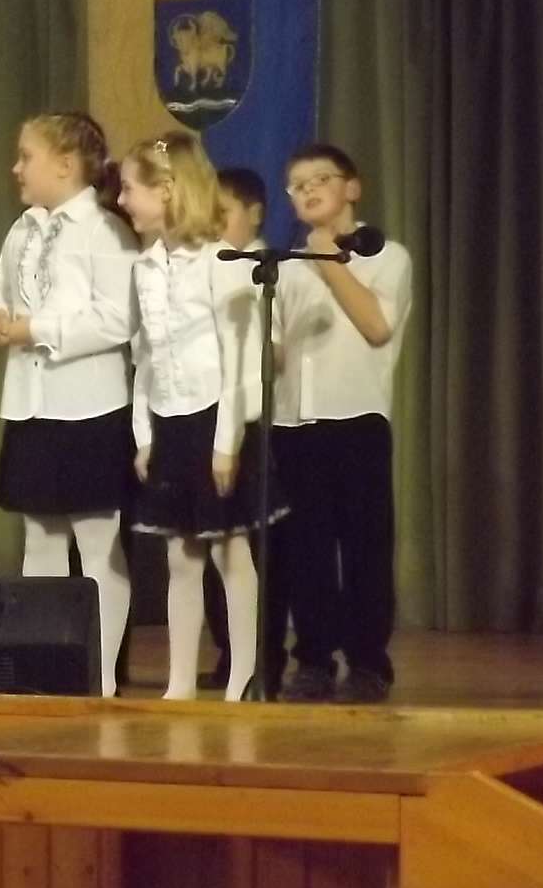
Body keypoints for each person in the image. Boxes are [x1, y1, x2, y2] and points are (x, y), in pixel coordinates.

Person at [0, 111, 140, 692]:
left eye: (27, 156)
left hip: (89, 407)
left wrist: (36, 329)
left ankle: (102, 675)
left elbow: (118, 318)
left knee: (98, 545)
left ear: (65, 164)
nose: (16, 168)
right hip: (30, 403)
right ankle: (42, 667)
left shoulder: (105, 230)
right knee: (40, 540)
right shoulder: (22, 230)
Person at [121, 132, 284, 702]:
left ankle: (244, 677)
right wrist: (144, 433)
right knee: (180, 556)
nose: (122, 199)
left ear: (167, 189)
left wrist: (227, 441)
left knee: (229, 549)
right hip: (171, 419)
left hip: (217, 419)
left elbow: (241, 355)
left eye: (130, 188)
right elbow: (146, 353)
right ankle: (180, 683)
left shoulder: (222, 261)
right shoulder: (144, 267)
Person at [270, 144, 413, 705]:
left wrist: (330, 262)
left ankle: (369, 662)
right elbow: (276, 352)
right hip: (293, 423)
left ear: (351, 188)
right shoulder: (285, 267)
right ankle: (313, 660)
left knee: (364, 547)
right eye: (297, 184)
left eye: (320, 179)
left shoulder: (387, 256)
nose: (308, 190)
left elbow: (377, 327)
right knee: (305, 549)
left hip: (356, 420)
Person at [200, 167, 272, 692]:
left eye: (222, 214)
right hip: (217, 415)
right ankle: (229, 652)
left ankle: (259, 659)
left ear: (255, 214)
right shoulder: (209, 265)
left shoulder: (267, 270)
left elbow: (261, 353)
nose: (214, 226)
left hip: (254, 421)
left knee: (249, 547)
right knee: (211, 545)